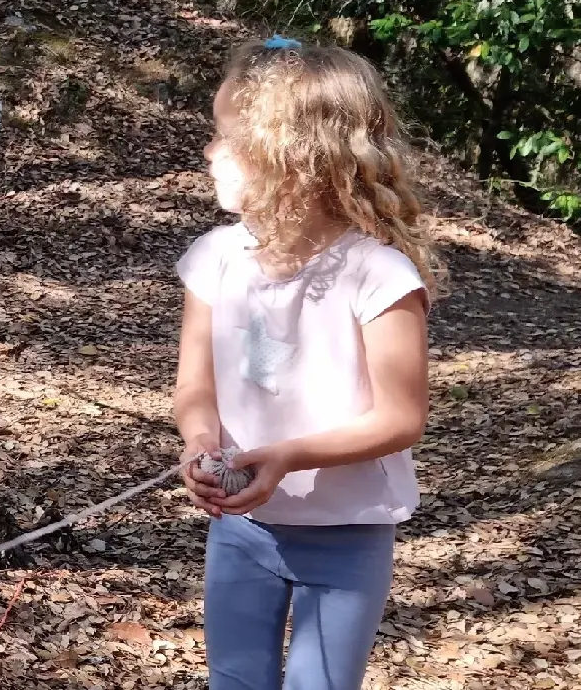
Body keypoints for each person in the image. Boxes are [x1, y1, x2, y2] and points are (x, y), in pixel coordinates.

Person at [174, 35, 441, 690]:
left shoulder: (379, 275)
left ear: (290, 158)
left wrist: (288, 455)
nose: (210, 152)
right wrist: (200, 442)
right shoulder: (214, 259)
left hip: (347, 535)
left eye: (225, 138)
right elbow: (194, 386)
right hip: (242, 529)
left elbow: (402, 417)